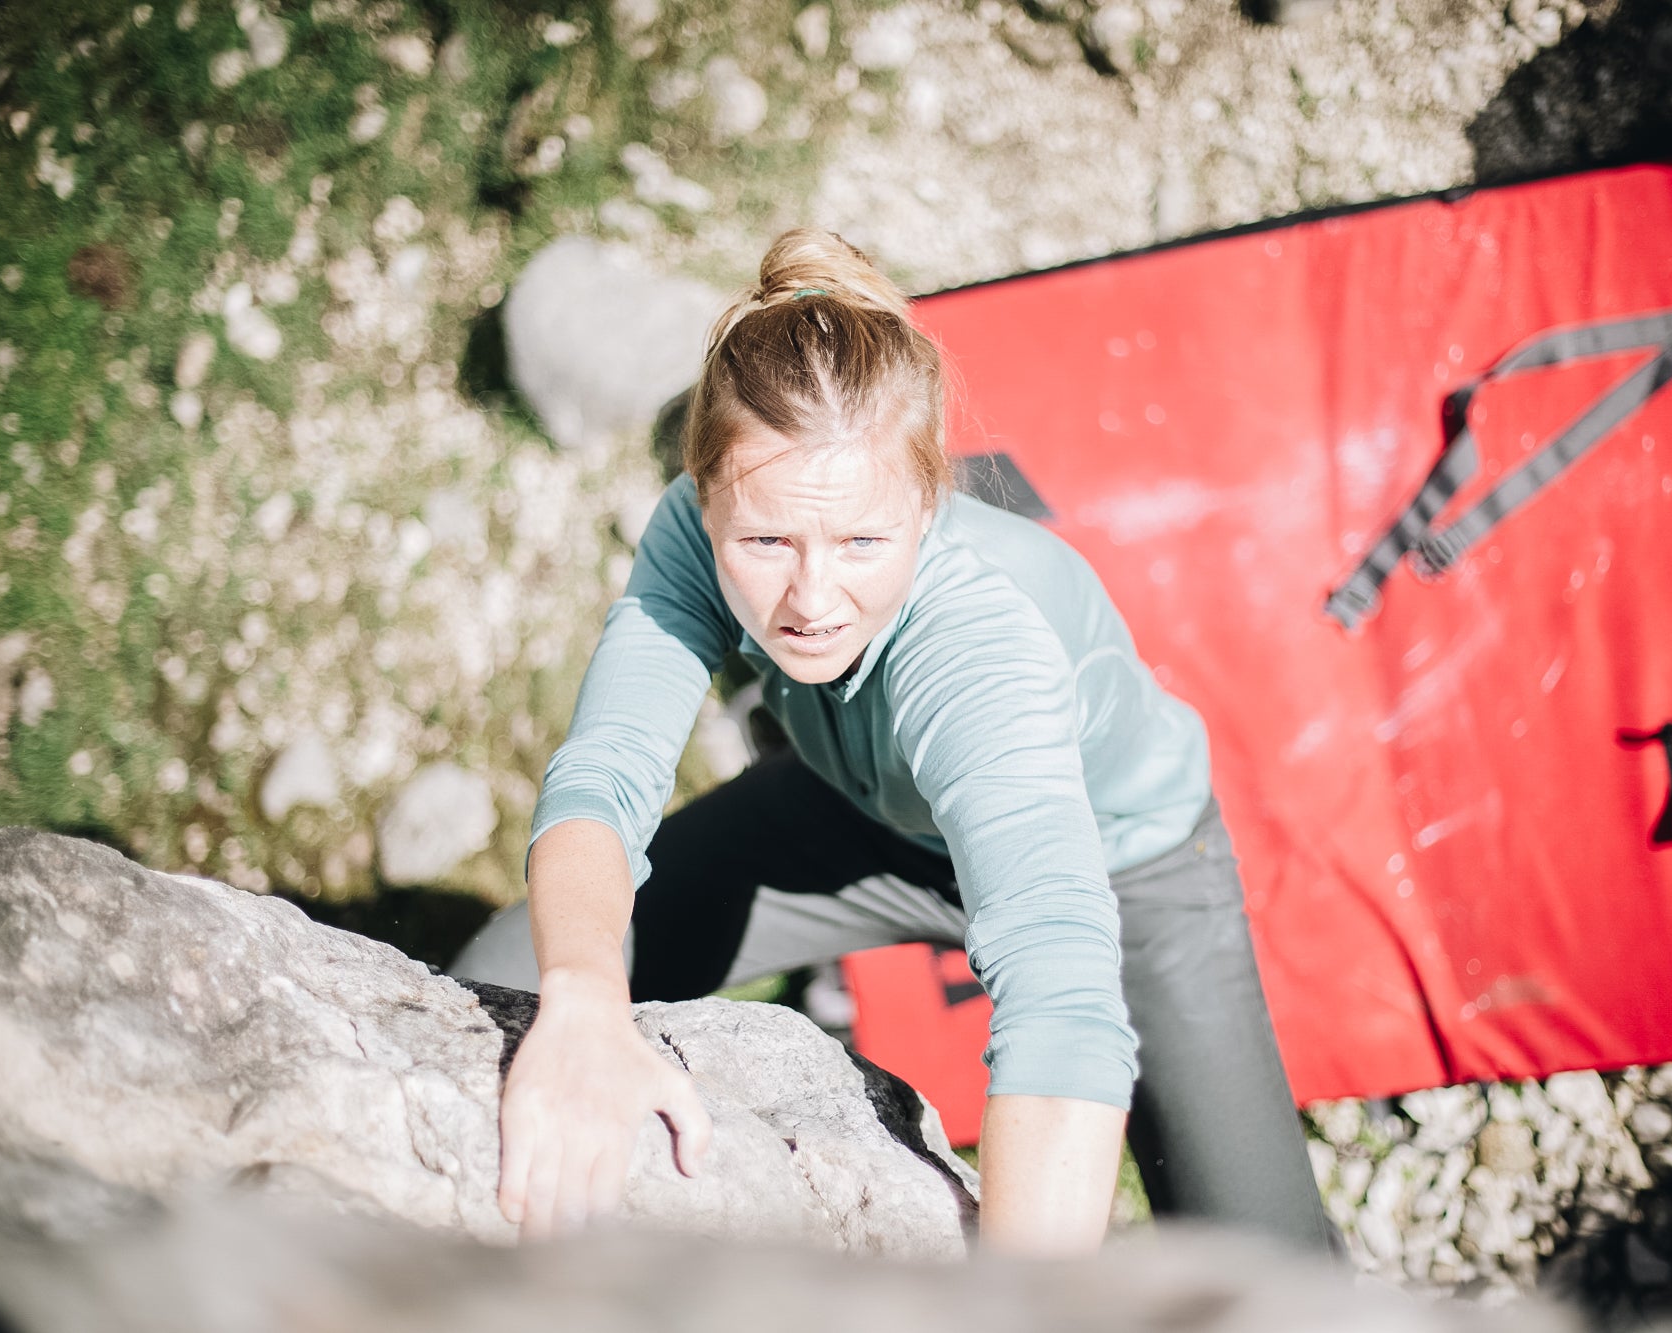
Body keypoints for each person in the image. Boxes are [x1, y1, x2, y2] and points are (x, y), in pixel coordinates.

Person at [489, 228, 1330, 1256]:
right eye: (764, 542)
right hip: (860, 820)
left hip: (1125, 870)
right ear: (704, 499)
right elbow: (603, 776)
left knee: (1281, 1282)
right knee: (508, 986)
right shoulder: (691, 533)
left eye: (860, 542)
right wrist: (580, 1004)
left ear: (927, 503)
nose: (809, 599)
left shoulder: (973, 652)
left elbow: (1061, 1000)